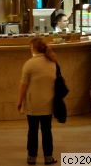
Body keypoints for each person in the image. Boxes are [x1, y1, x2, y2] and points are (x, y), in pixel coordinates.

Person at [17, 37, 59, 166]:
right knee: (47, 130)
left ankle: (31, 157)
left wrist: (20, 101)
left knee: (32, 130)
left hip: (33, 104)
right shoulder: (53, 63)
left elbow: (23, 85)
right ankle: (48, 157)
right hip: (48, 103)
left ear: (33, 48)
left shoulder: (29, 64)